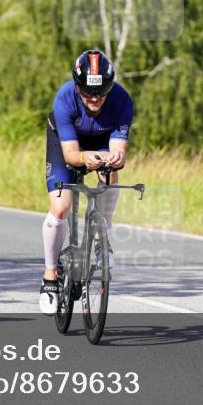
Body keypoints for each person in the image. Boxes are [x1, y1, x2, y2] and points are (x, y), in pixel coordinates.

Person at [39, 50, 133, 314]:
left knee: (111, 171)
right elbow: (70, 155)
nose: (94, 99)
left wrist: (113, 158)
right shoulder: (65, 97)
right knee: (60, 208)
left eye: (101, 93)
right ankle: (50, 276)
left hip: (101, 142)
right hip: (66, 144)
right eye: (88, 93)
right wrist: (84, 157)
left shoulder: (122, 101)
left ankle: (104, 235)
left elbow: (119, 151)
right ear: (77, 87)